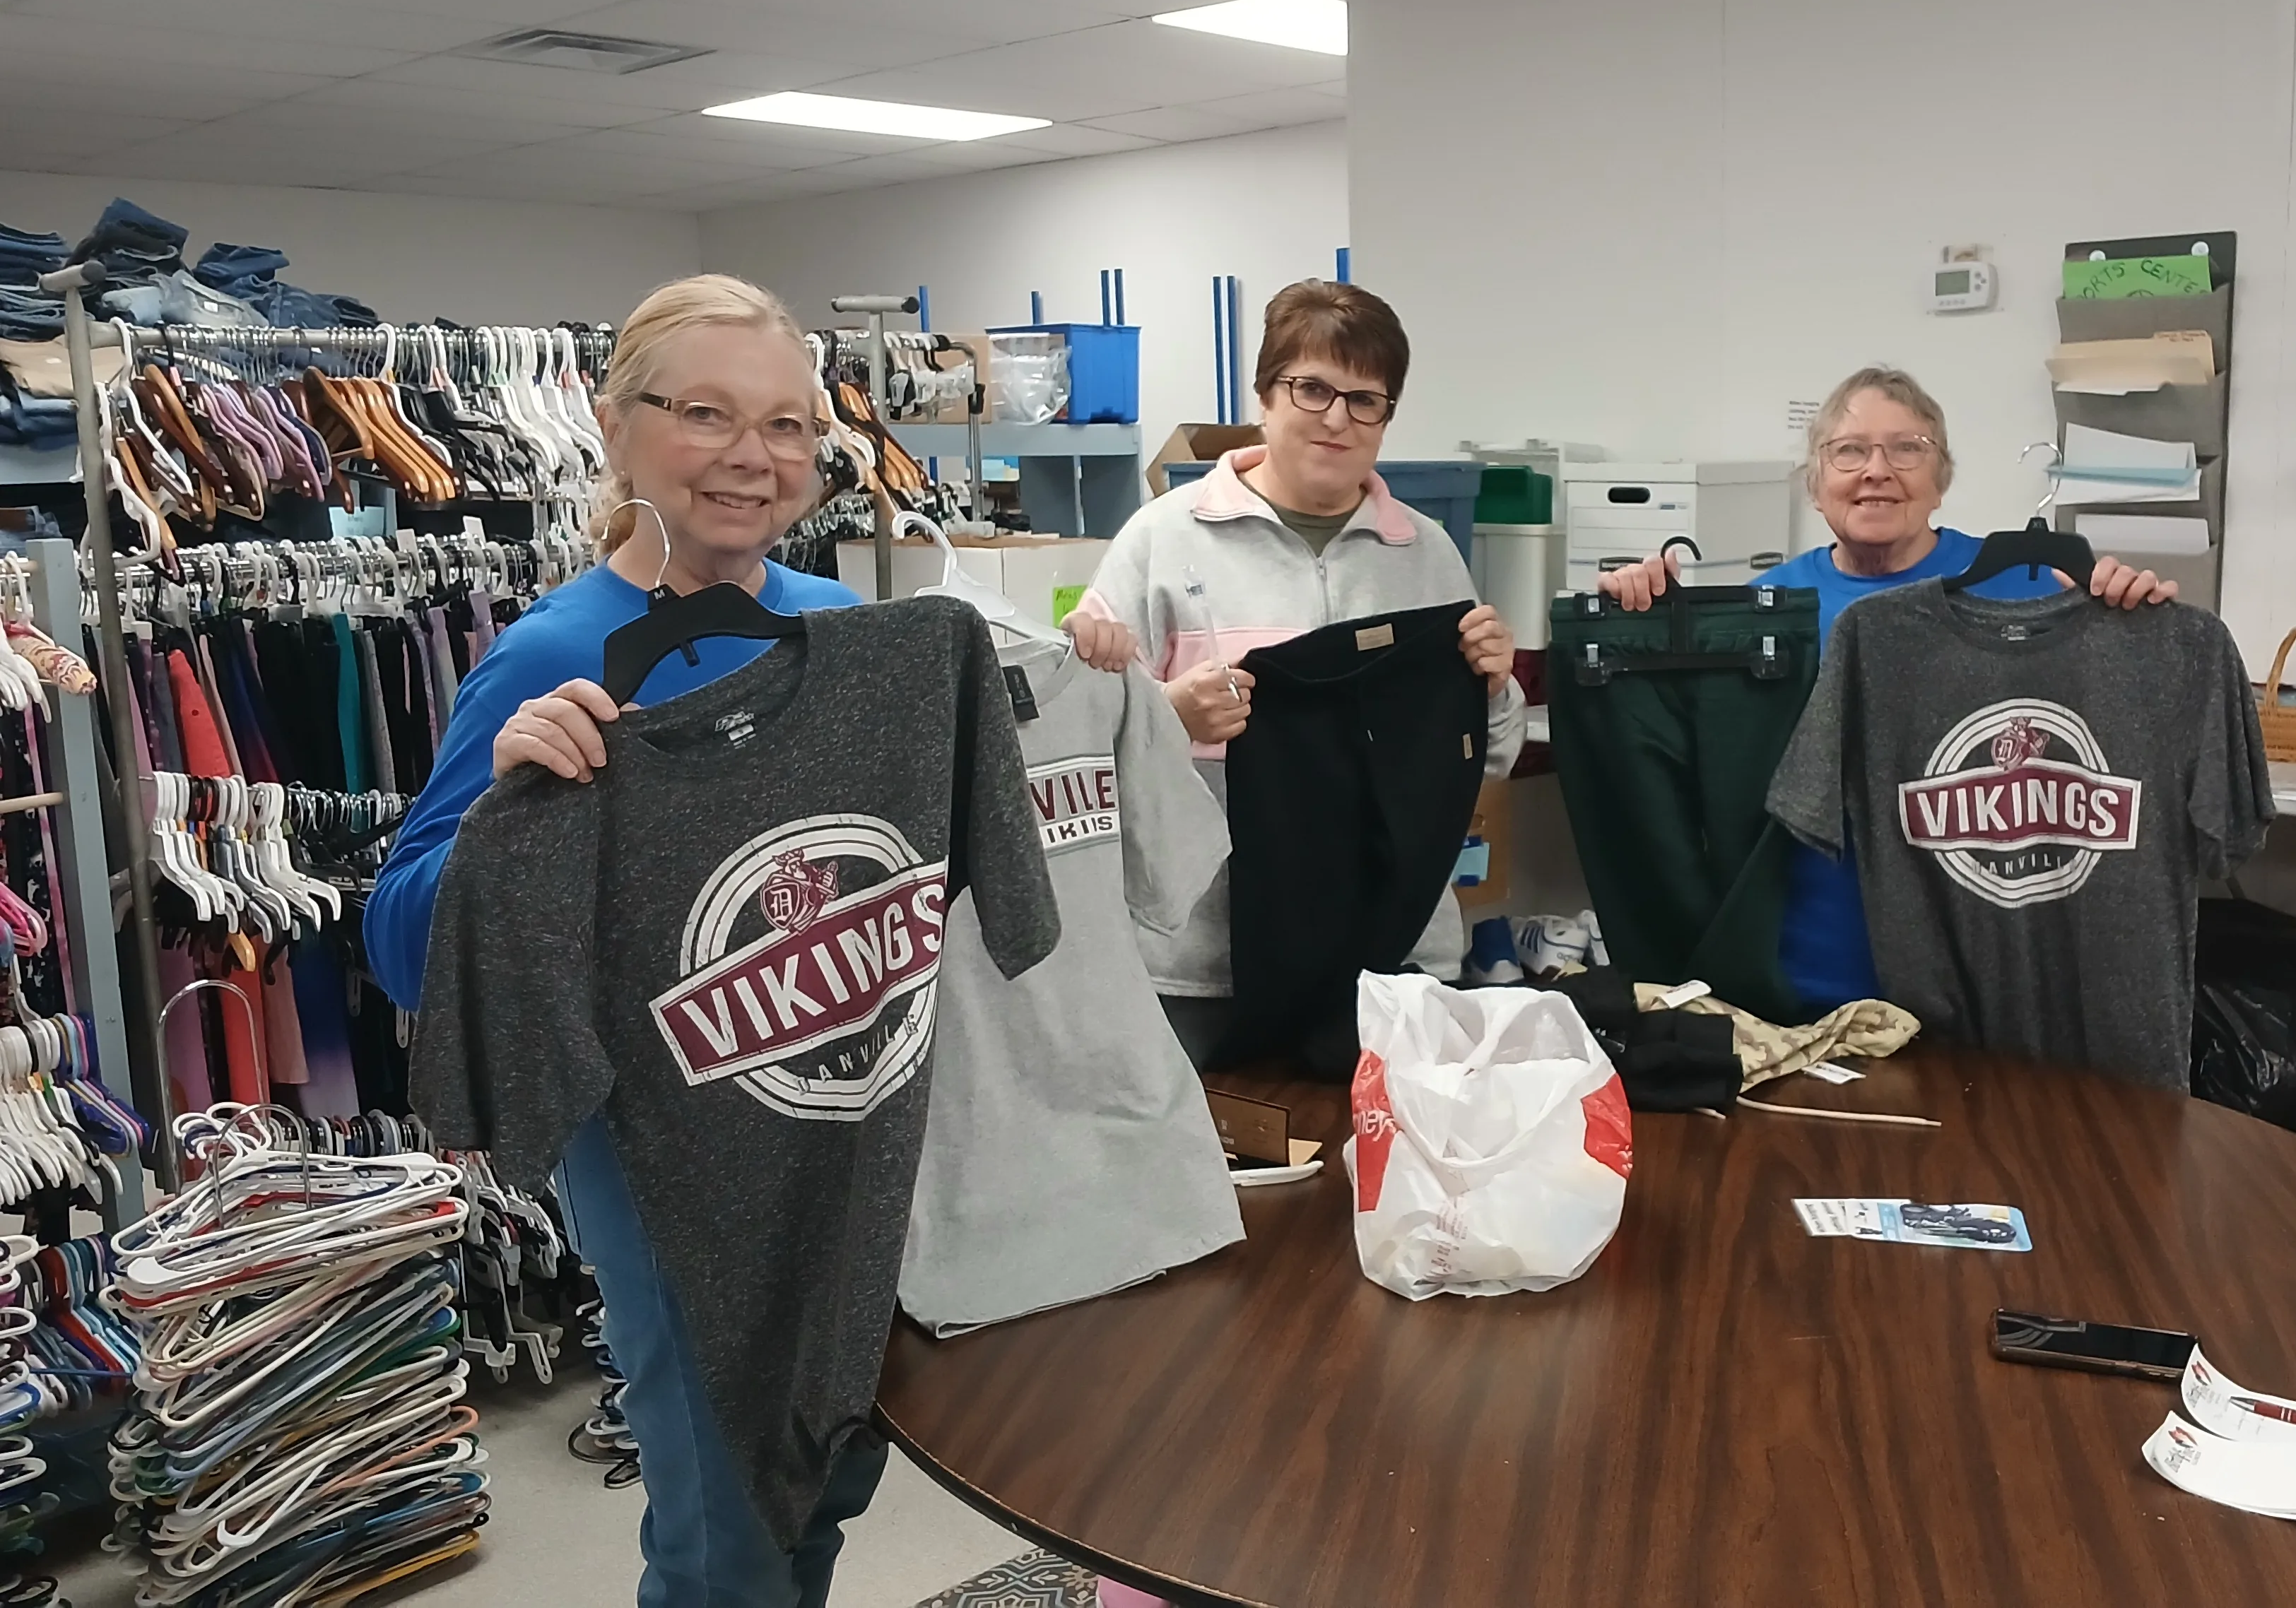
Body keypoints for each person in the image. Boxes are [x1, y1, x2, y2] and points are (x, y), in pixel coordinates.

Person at [363, 273, 1123, 1607]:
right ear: (615, 425)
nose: (754, 457)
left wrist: (1130, 699)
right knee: (725, 1532)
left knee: (829, 1479)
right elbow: (398, 941)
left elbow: (981, 842)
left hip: (862, 1137)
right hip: (672, 1175)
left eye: (787, 425)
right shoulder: (553, 653)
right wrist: (501, 810)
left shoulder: (855, 637)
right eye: (706, 413)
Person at [1595, 365, 2177, 1015]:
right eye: (1849, 451)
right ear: (1816, 485)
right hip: (1803, 967)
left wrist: (2124, 615)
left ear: (1940, 480)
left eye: (1907, 449)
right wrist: (1636, 615)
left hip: (1975, 973)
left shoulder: (2030, 588)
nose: (1877, 469)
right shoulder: (1762, 613)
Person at [1071, 279, 1524, 1067]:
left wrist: (1493, 689)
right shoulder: (1160, 541)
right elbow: (1072, 757)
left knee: (1383, 1183)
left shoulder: (1426, 555)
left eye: (1366, 399)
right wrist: (1168, 716)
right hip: (1201, 969)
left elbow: (1485, 759)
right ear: (1265, 394)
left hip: (1392, 961)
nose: (1337, 418)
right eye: (1312, 388)